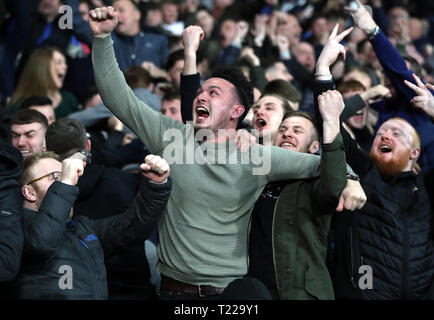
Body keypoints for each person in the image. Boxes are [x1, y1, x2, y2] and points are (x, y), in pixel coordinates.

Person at [89, 9, 364, 300]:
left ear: (236, 112)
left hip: (230, 295)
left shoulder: (257, 156)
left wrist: (351, 175)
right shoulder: (171, 137)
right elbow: (117, 96)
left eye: (214, 93)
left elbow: (322, 165)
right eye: (200, 92)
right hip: (172, 292)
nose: (201, 96)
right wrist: (103, 37)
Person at [313, 1, 434, 299]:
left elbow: (398, 69)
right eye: (382, 130)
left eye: (398, 132)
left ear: (416, 153)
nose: (386, 132)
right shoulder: (363, 170)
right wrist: (322, 71)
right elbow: (330, 123)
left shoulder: (428, 186)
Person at [14, 151, 171, 299]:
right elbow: (42, 241)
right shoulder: (15, 230)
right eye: (55, 177)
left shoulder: (81, 228)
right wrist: (66, 182)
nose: (67, 182)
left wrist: (156, 186)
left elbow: (131, 227)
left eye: (66, 176)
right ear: (29, 193)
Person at [7, 47, 80, 119]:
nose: (65, 66)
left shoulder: (69, 99)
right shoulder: (19, 105)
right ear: (42, 68)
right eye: (59, 62)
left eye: (65, 63)